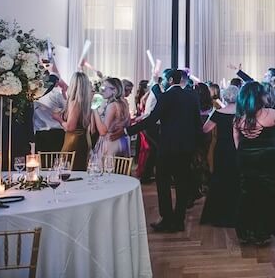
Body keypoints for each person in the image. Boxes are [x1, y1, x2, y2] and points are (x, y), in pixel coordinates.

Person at [126, 69, 202, 233]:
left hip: (168, 147)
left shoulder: (166, 96)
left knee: (163, 183)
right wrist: (197, 147)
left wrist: (128, 131)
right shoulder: (192, 96)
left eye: (166, 79)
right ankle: (180, 220)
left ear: (171, 80)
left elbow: (152, 120)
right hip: (186, 148)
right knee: (182, 184)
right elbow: (198, 124)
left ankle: (167, 219)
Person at [233, 81, 275, 245]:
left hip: (245, 159)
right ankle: (262, 232)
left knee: (246, 192)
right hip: (266, 159)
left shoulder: (238, 118)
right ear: (259, 97)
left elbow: (237, 144)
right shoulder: (270, 114)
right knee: (265, 193)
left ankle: (245, 232)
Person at [200, 85, 240, 227]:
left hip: (222, 148)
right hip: (237, 148)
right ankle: (235, 213)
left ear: (224, 97)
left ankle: (218, 213)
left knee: (220, 178)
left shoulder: (218, 113)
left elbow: (205, 129)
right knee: (236, 178)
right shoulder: (242, 113)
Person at [53, 72, 92, 170]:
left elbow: (70, 127)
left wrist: (58, 118)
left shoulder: (75, 103)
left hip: (73, 141)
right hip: (83, 139)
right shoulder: (85, 102)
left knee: (69, 171)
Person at [92, 77, 130, 158]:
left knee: (106, 169)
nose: (102, 90)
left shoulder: (112, 106)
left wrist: (95, 109)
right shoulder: (124, 103)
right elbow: (128, 124)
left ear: (114, 90)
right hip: (121, 142)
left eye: (105, 88)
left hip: (110, 143)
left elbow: (103, 131)